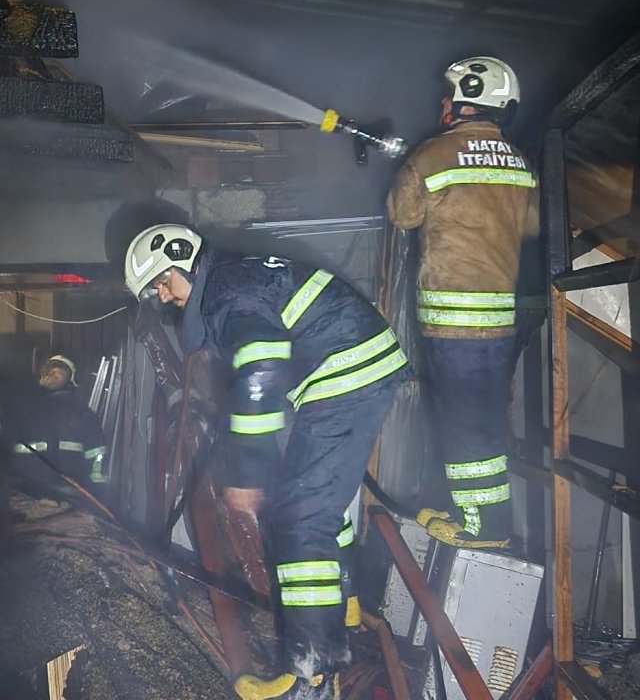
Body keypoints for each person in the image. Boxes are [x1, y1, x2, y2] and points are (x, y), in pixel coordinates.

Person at [124, 224, 409, 700]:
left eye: (161, 282)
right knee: (313, 500)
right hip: (350, 367)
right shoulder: (232, 280)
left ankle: (312, 676)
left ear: (179, 261)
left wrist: (248, 470)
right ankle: (344, 605)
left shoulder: (226, 292)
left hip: (343, 372)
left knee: (299, 517)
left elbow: (261, 364)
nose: (163, 296)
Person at [387, 56, 540, 550]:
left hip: (452, 323)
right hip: (500, 319)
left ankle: (482, 528)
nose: (441, 103)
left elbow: (402, 216)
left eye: (447, 95)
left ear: (462, 102)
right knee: (485, 418)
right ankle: (479, 510)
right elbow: (533, 227)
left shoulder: (431, 156)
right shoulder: (519, 162)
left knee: (462, 423)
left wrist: (405, 165)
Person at [8, 355, 107, 492]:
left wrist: (97, 491)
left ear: (70, 380)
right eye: (49, 372)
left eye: (58, 373)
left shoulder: (82, 413)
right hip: (28, 492)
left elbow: (97, 453)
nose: (52, 376)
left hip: (70, 491)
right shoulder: (24, 412)